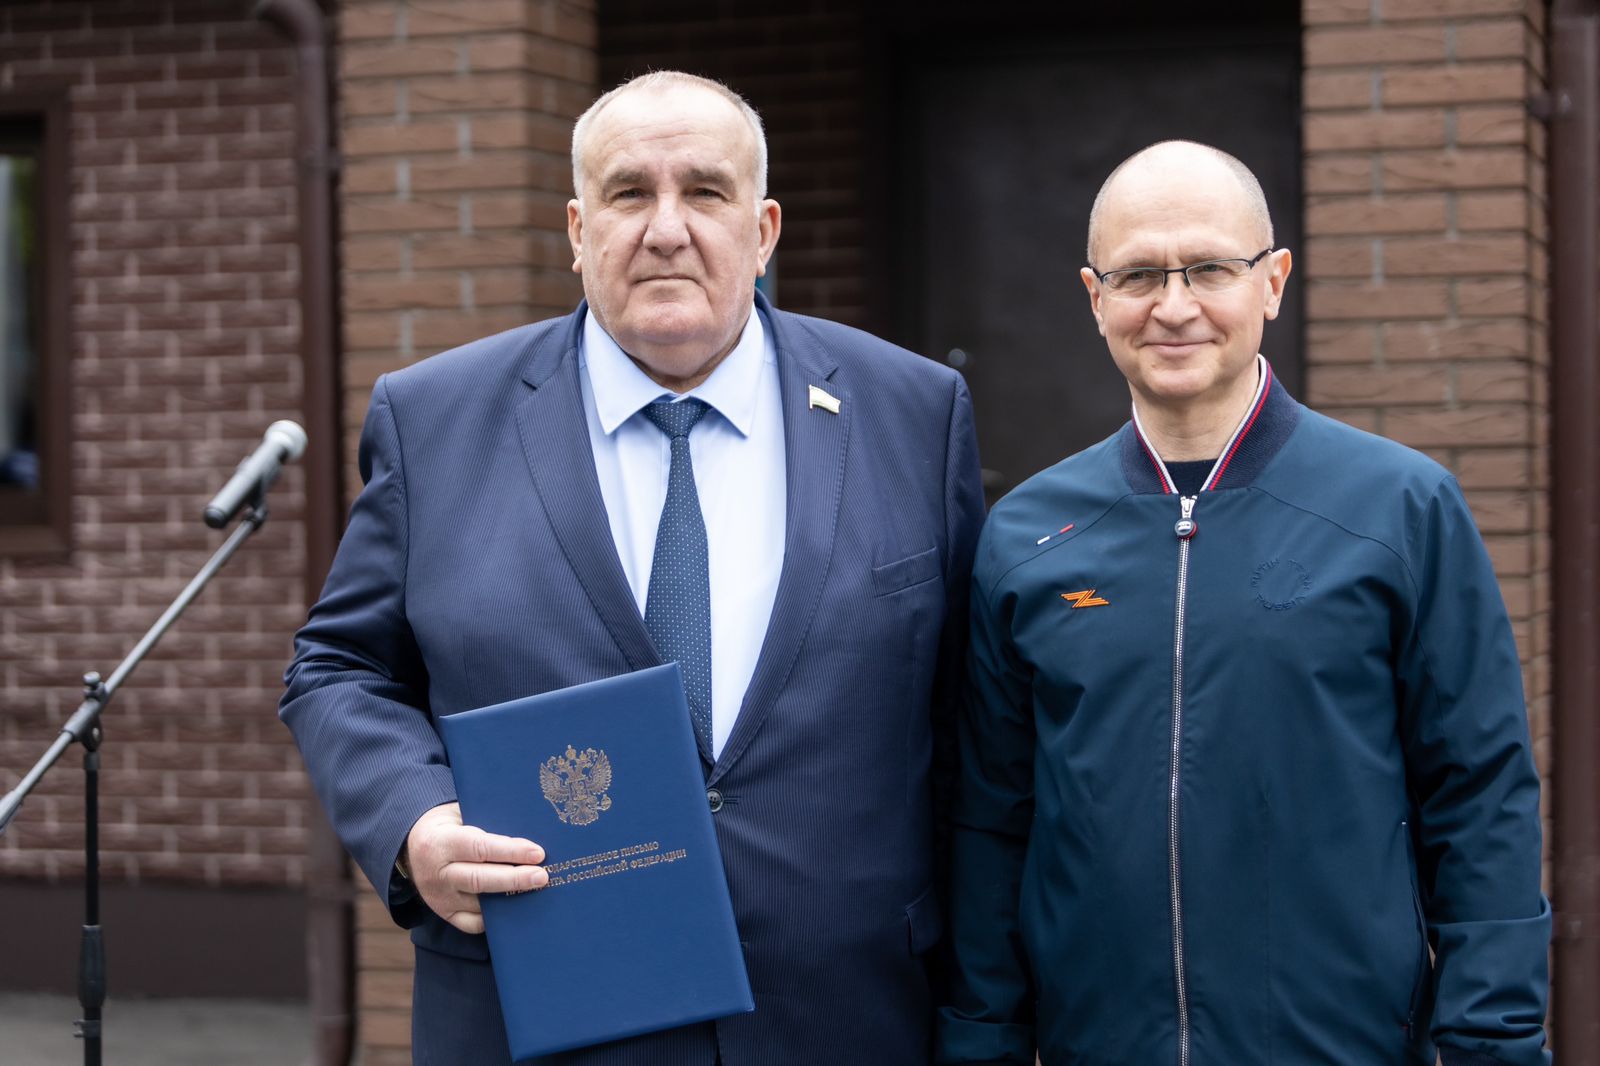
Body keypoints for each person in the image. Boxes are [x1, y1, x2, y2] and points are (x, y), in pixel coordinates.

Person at [281, 72, 984, 1065]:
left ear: (764, 230)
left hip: (846, 1016)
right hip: (540, 1012)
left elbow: (968, 719)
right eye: (627, 194)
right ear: (578, 230)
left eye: (704, 192)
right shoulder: (434, 420)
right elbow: (337, 667)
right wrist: (414, 821)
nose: (665, 230)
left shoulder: (913, 412)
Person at [936, 140, 1550, 1066]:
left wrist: (1492, 1048)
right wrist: (981, 1042)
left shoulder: (1400, 509)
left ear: (1273, 281)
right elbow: (992, 825)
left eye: (1210, 269)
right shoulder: (1026, 535)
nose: (1174, 305)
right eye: (1139, 275)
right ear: (1095, 298)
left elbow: (1483, 798)